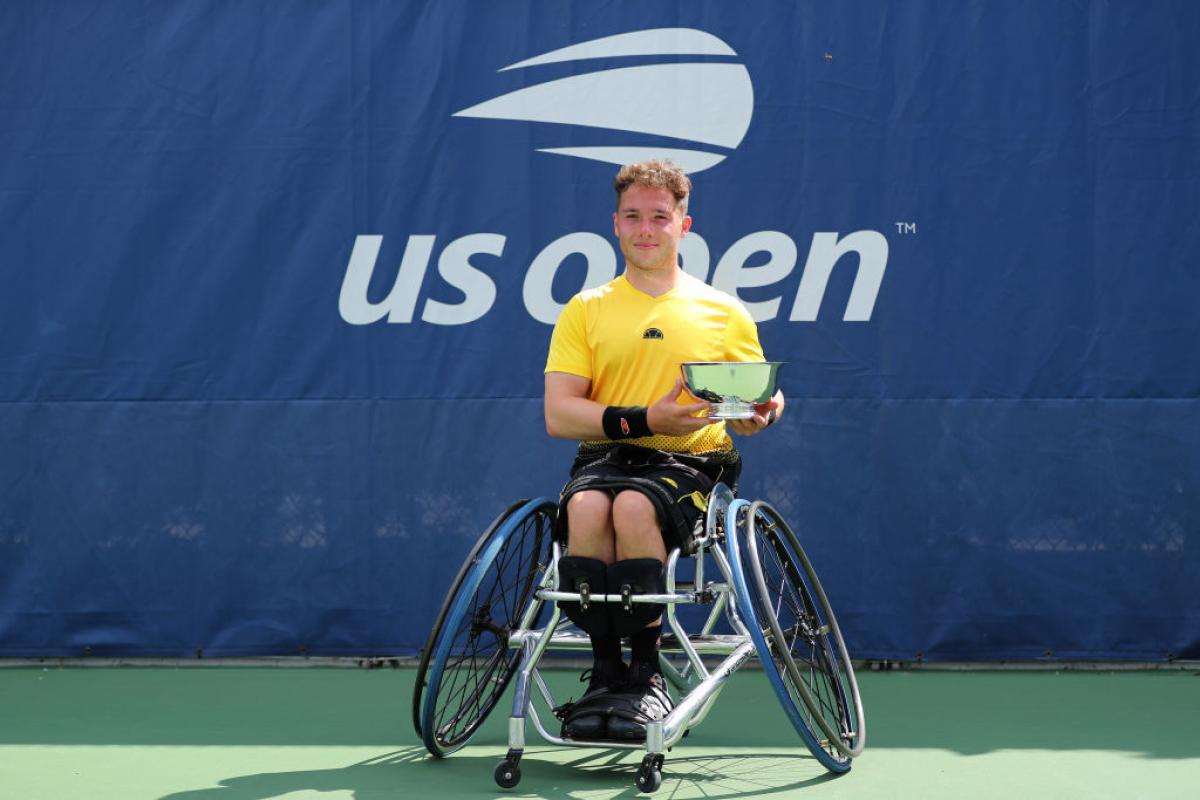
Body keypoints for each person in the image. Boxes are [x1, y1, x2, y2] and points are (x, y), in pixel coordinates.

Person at [543, 160, 785, 741]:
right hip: (603, 460)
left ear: (684, 225)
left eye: (659, 217)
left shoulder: (723, 311)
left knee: (630, 506)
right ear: (616, 225)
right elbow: (559, 413)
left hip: (691, 464)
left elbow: (760, 394)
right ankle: (606, 673)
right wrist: (648, 417)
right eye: (633, 217)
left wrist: (765, 412)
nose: (645, 229)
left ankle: (646, 674)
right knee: (585, 508)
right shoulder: (586, 309)